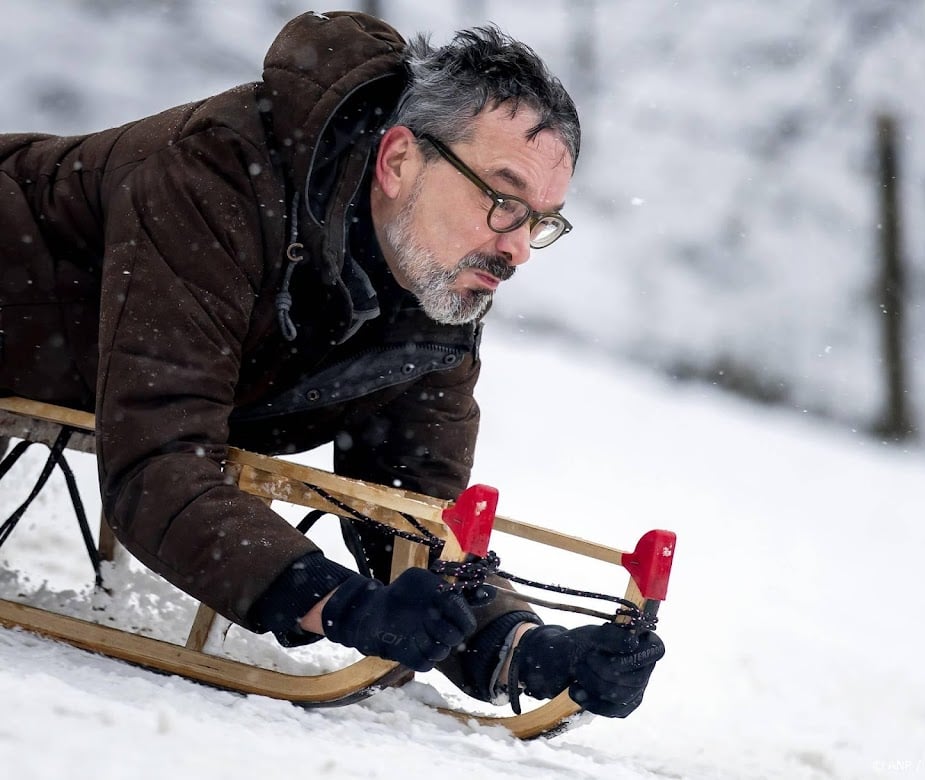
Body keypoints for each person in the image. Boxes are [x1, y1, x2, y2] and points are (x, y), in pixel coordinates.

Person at [0, 10, 663, 716]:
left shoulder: (435, 275)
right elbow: (158, 464)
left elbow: (413, 513)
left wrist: (528, 649)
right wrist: (333, 601)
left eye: (540, 220)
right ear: (400, 160)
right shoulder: (214, 172)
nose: (519, 248)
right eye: (503, 200)